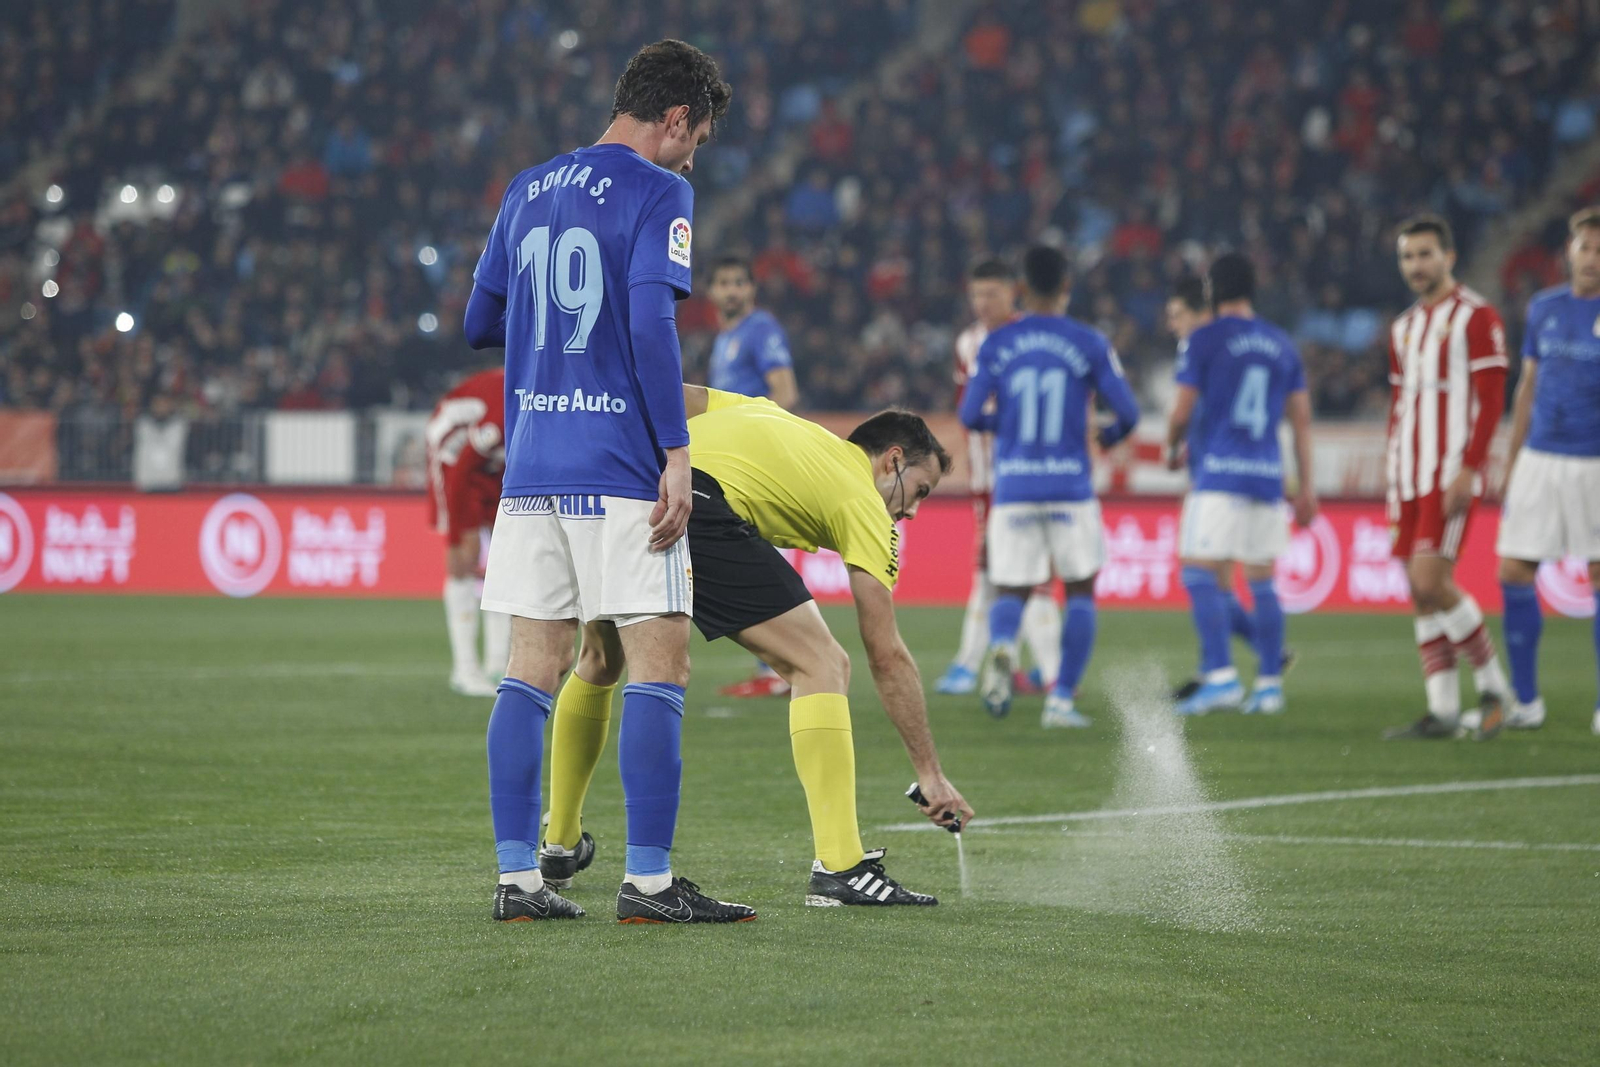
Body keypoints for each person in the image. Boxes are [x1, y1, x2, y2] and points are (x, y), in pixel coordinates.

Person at [463, 39, 750, 924]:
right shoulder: (661, 191)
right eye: (695, 136)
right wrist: (674, 451)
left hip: (534, 470)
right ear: (672, 119)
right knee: (659, 664)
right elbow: (650, 325)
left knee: (531, 669)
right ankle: (651, 883)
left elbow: (481, 320)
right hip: (622, 467)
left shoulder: (526, 188)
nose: (693, 156)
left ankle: (519, 879)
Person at [542, 385, 975, 907]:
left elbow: (672, 393)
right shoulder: (864, 499)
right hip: (697, 505)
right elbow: (885, 654)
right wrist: (930, 773)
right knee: (822, 663)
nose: (911, 513)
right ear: (893, 460)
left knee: (600, 658)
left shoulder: (767, 414)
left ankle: (559, 843)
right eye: (921, 491)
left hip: (621, 485)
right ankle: (841, 865)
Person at [958, 245, 1140, 727]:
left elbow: (971, 415)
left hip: (1014, 486)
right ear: (1066, 287)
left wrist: (1010, 424)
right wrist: (1108, 436)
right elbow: (1129, 412)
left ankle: (1000, 648)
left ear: (1021, 289)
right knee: (1079, 589)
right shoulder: (1088, 341)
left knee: (1011, 588)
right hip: (1069, 487)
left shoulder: (996, 344)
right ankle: (1060, 702)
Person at [1164, 253, 1317, 716]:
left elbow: (1182, 411)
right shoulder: (1281, 343)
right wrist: (1307, 485)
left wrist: (1173, 445)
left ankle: (1221, 678)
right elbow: (1302, 420)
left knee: (1198, 572)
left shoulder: (1204, 338)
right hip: (1268, 476)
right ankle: (1269, 685)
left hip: (1220, 473)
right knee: (1263, 580)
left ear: (1211, 291)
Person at [1379, 215, 1511, 741]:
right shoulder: (1403, 327)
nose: (1416, 265)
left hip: (1447, 473)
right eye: (1408, 256)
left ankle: (1496, 690)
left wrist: (1471, 467)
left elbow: (1492, 399)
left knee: (1433, 581)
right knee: (1419, 590)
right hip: (1407, 477)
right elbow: (1399, 407)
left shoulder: (1477, 317)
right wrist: (1391, 475)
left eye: (1426, 254)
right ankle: (1443, 712)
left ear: (1449, 256)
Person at [935, 258, 1062, 698]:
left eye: (992, 293)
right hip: (988, 478)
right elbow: (965, 411)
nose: (983, 303)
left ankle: (1042, 669)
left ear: (1015, 292)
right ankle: (975, 665)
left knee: (1034, 568)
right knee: (991, 566)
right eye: (976, 294)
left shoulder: (1034, 336)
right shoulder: (967, 343)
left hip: (1033, 472)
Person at [1496, 206, 1600, 736]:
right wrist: (1513, 463)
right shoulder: (1544, 307)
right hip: (1540, 456)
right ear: (1570, 251)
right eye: (1586, 247)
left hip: (1594, 462)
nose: (1592, 258)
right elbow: (1528, 388)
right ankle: (1528, 701)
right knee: (1514, 570)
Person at [704, 254, 802, 699]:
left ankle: (782, 662)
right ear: (711, 292)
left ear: (751, 291)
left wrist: (754, 441)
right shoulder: (725, 339)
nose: (731, 291)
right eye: (724, 282)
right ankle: (774, 662)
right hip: (735, 457)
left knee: (755, 548)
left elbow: (785, 393)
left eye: (739, 282)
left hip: (753, 457)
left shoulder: (759, 329)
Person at [425, 367, 511, 698]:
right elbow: (463, 469)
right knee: (466, 556)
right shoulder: (506, 412)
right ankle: (464, 669)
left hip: (494, 463)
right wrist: (460, 532)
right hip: (455, 452)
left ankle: (496, 664)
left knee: (507, 558)